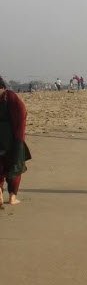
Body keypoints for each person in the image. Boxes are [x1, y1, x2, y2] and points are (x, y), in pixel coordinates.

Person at [0, 76, 31, 208]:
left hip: (6, 138)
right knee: (15, 166)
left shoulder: (9, 98)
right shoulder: (10, 97)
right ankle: (12, 197)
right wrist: (19, 140)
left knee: (2, 165)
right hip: (12, 139)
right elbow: (21, 116)